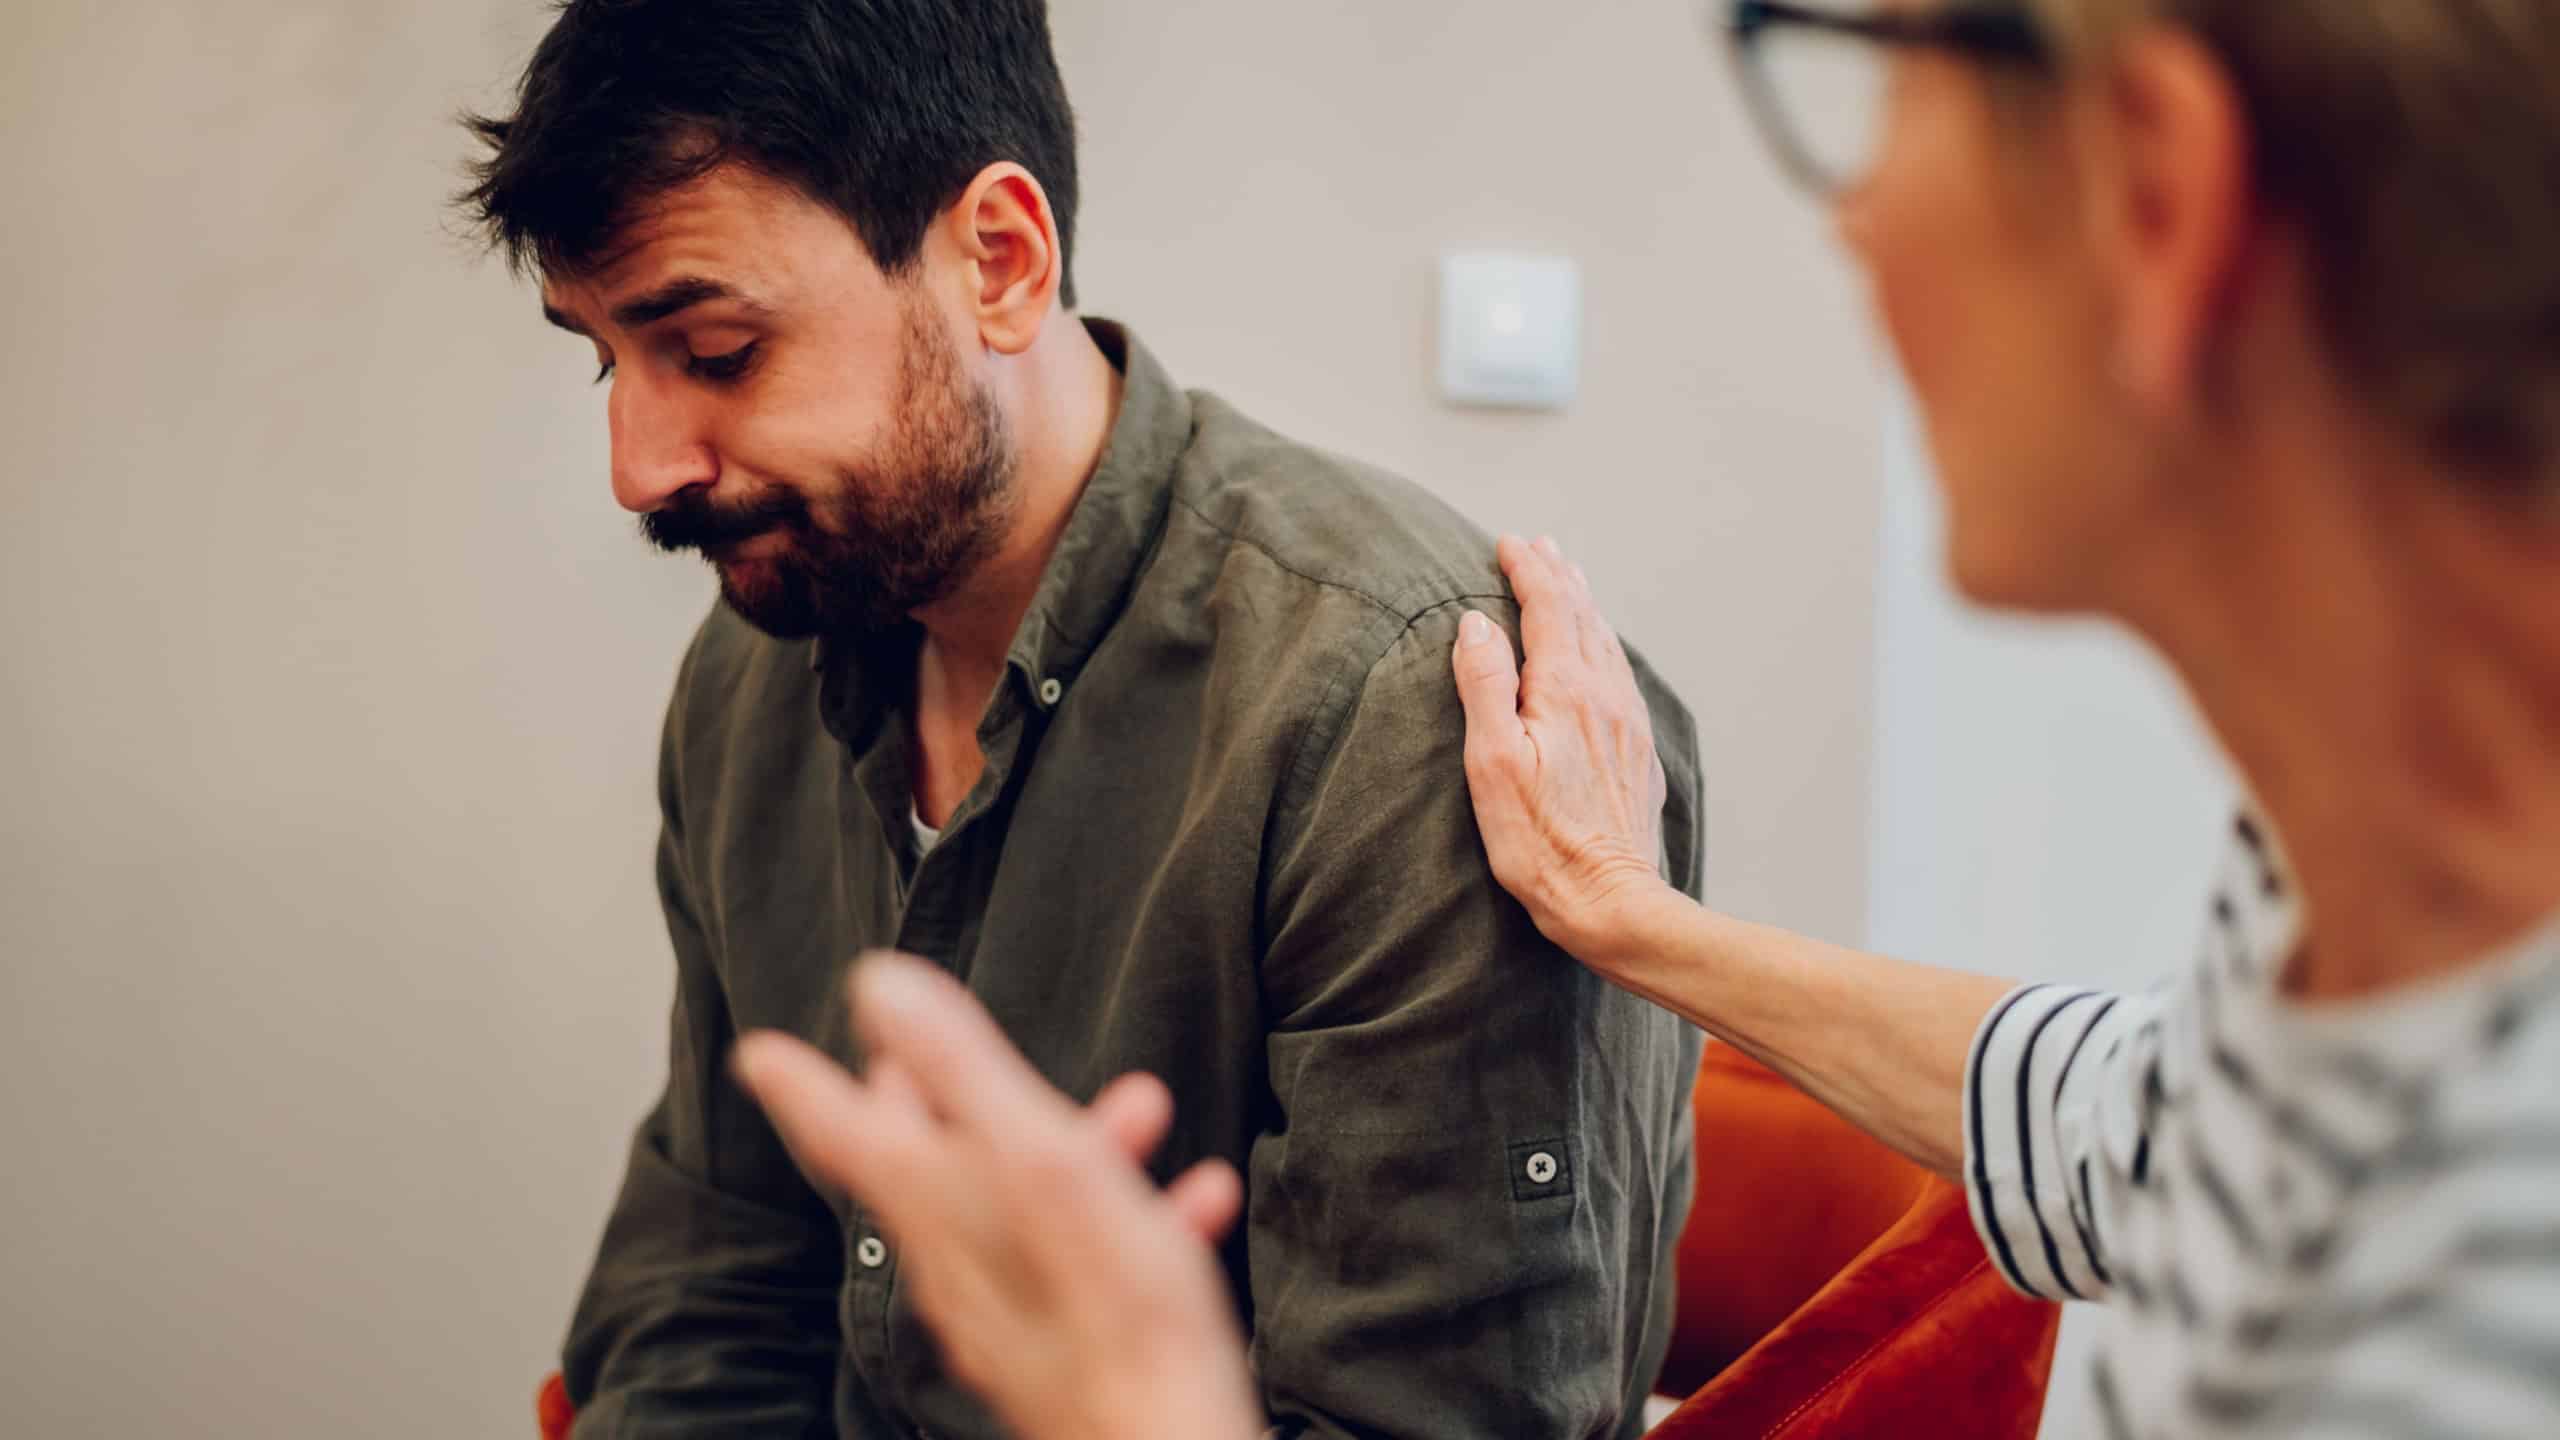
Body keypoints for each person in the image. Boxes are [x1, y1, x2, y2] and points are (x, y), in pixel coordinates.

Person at [739, 0, 2560, 1436]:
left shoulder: (2485, 1298)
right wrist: (1640, 923)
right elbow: (2130, 1119)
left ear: (2155, 191)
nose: (1852, 218)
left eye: (1879, 79)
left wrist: (1139, 1403)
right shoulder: (2363, 904)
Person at [459, 2, 1712, 1436]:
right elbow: (713, 1297)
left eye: (719, 350)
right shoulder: (755, 679)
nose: (638, 470)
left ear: (1000, 259)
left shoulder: (1403, 721)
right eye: (607, 358)